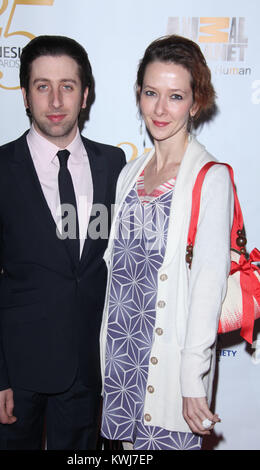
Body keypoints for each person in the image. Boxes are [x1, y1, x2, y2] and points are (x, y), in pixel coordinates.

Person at [0, 35, 126, 450]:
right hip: (16, 376)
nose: (55, 100)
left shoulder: (114, 164)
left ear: (85, 95)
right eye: (42, 86)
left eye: (67, 86)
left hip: (89, 372)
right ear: (24, 95)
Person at [99, 35, 233, 450]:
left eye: (175, 96)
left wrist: (193, 377)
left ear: (195, 103)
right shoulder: (129, 174)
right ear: (138, 94)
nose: (160, 109)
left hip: (169, 369)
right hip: (120, 361)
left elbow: (209, 286)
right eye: (151, 93)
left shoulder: (210, 177)